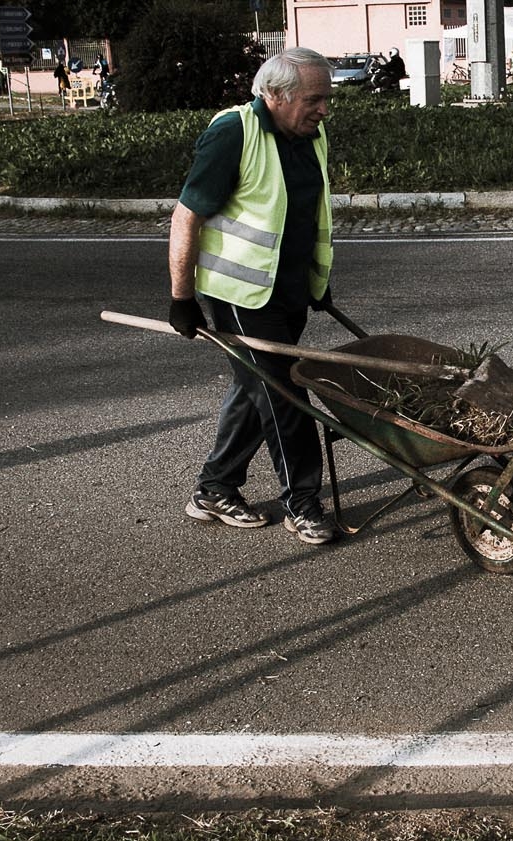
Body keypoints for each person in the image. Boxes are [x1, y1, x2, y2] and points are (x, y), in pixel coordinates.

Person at [166, 48, 341, 545]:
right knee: (285, 395)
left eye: (327, 98)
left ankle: (214, 488)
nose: (324, 109)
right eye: (314, 99)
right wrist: (181, 297)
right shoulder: (233, 134)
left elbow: (309, 211)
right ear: (276, 95)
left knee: (254, 390)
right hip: (240, 294)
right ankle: (302, 504)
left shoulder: (310, 133)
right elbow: (186, 217)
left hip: (288, 289)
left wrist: (317, 281)